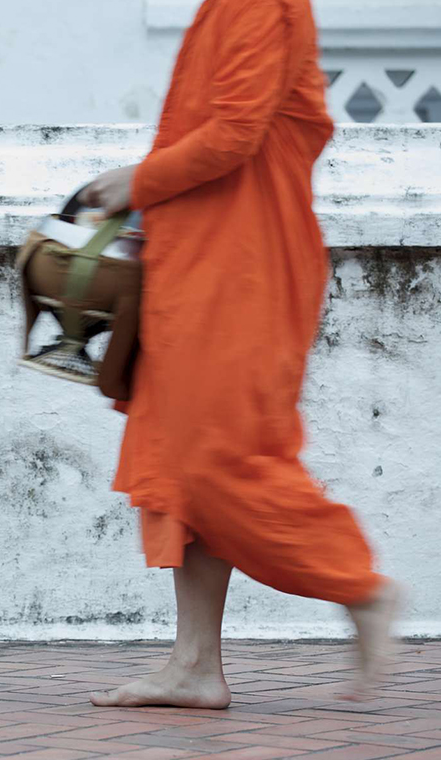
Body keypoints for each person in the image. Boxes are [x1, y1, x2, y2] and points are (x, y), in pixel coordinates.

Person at [78, 0, 403, 707]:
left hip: (242, 269)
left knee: (219, 457)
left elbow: (234, 134)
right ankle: (195, 666)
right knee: (176, 461)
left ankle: (359, 585)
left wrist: (139, 179)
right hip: (195, 262)